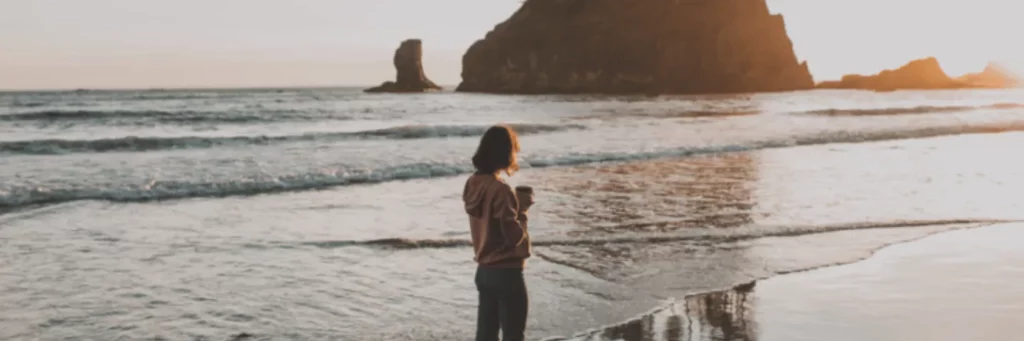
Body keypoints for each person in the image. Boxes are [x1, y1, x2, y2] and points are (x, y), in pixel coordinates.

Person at [463, 125, 533, 341]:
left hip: (484, 270)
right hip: (506, 272)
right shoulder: (501, 190)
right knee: (513, 335)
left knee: (485, 335)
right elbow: (514, 237)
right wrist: (521, 210)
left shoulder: (473, 183)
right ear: (505, 153)